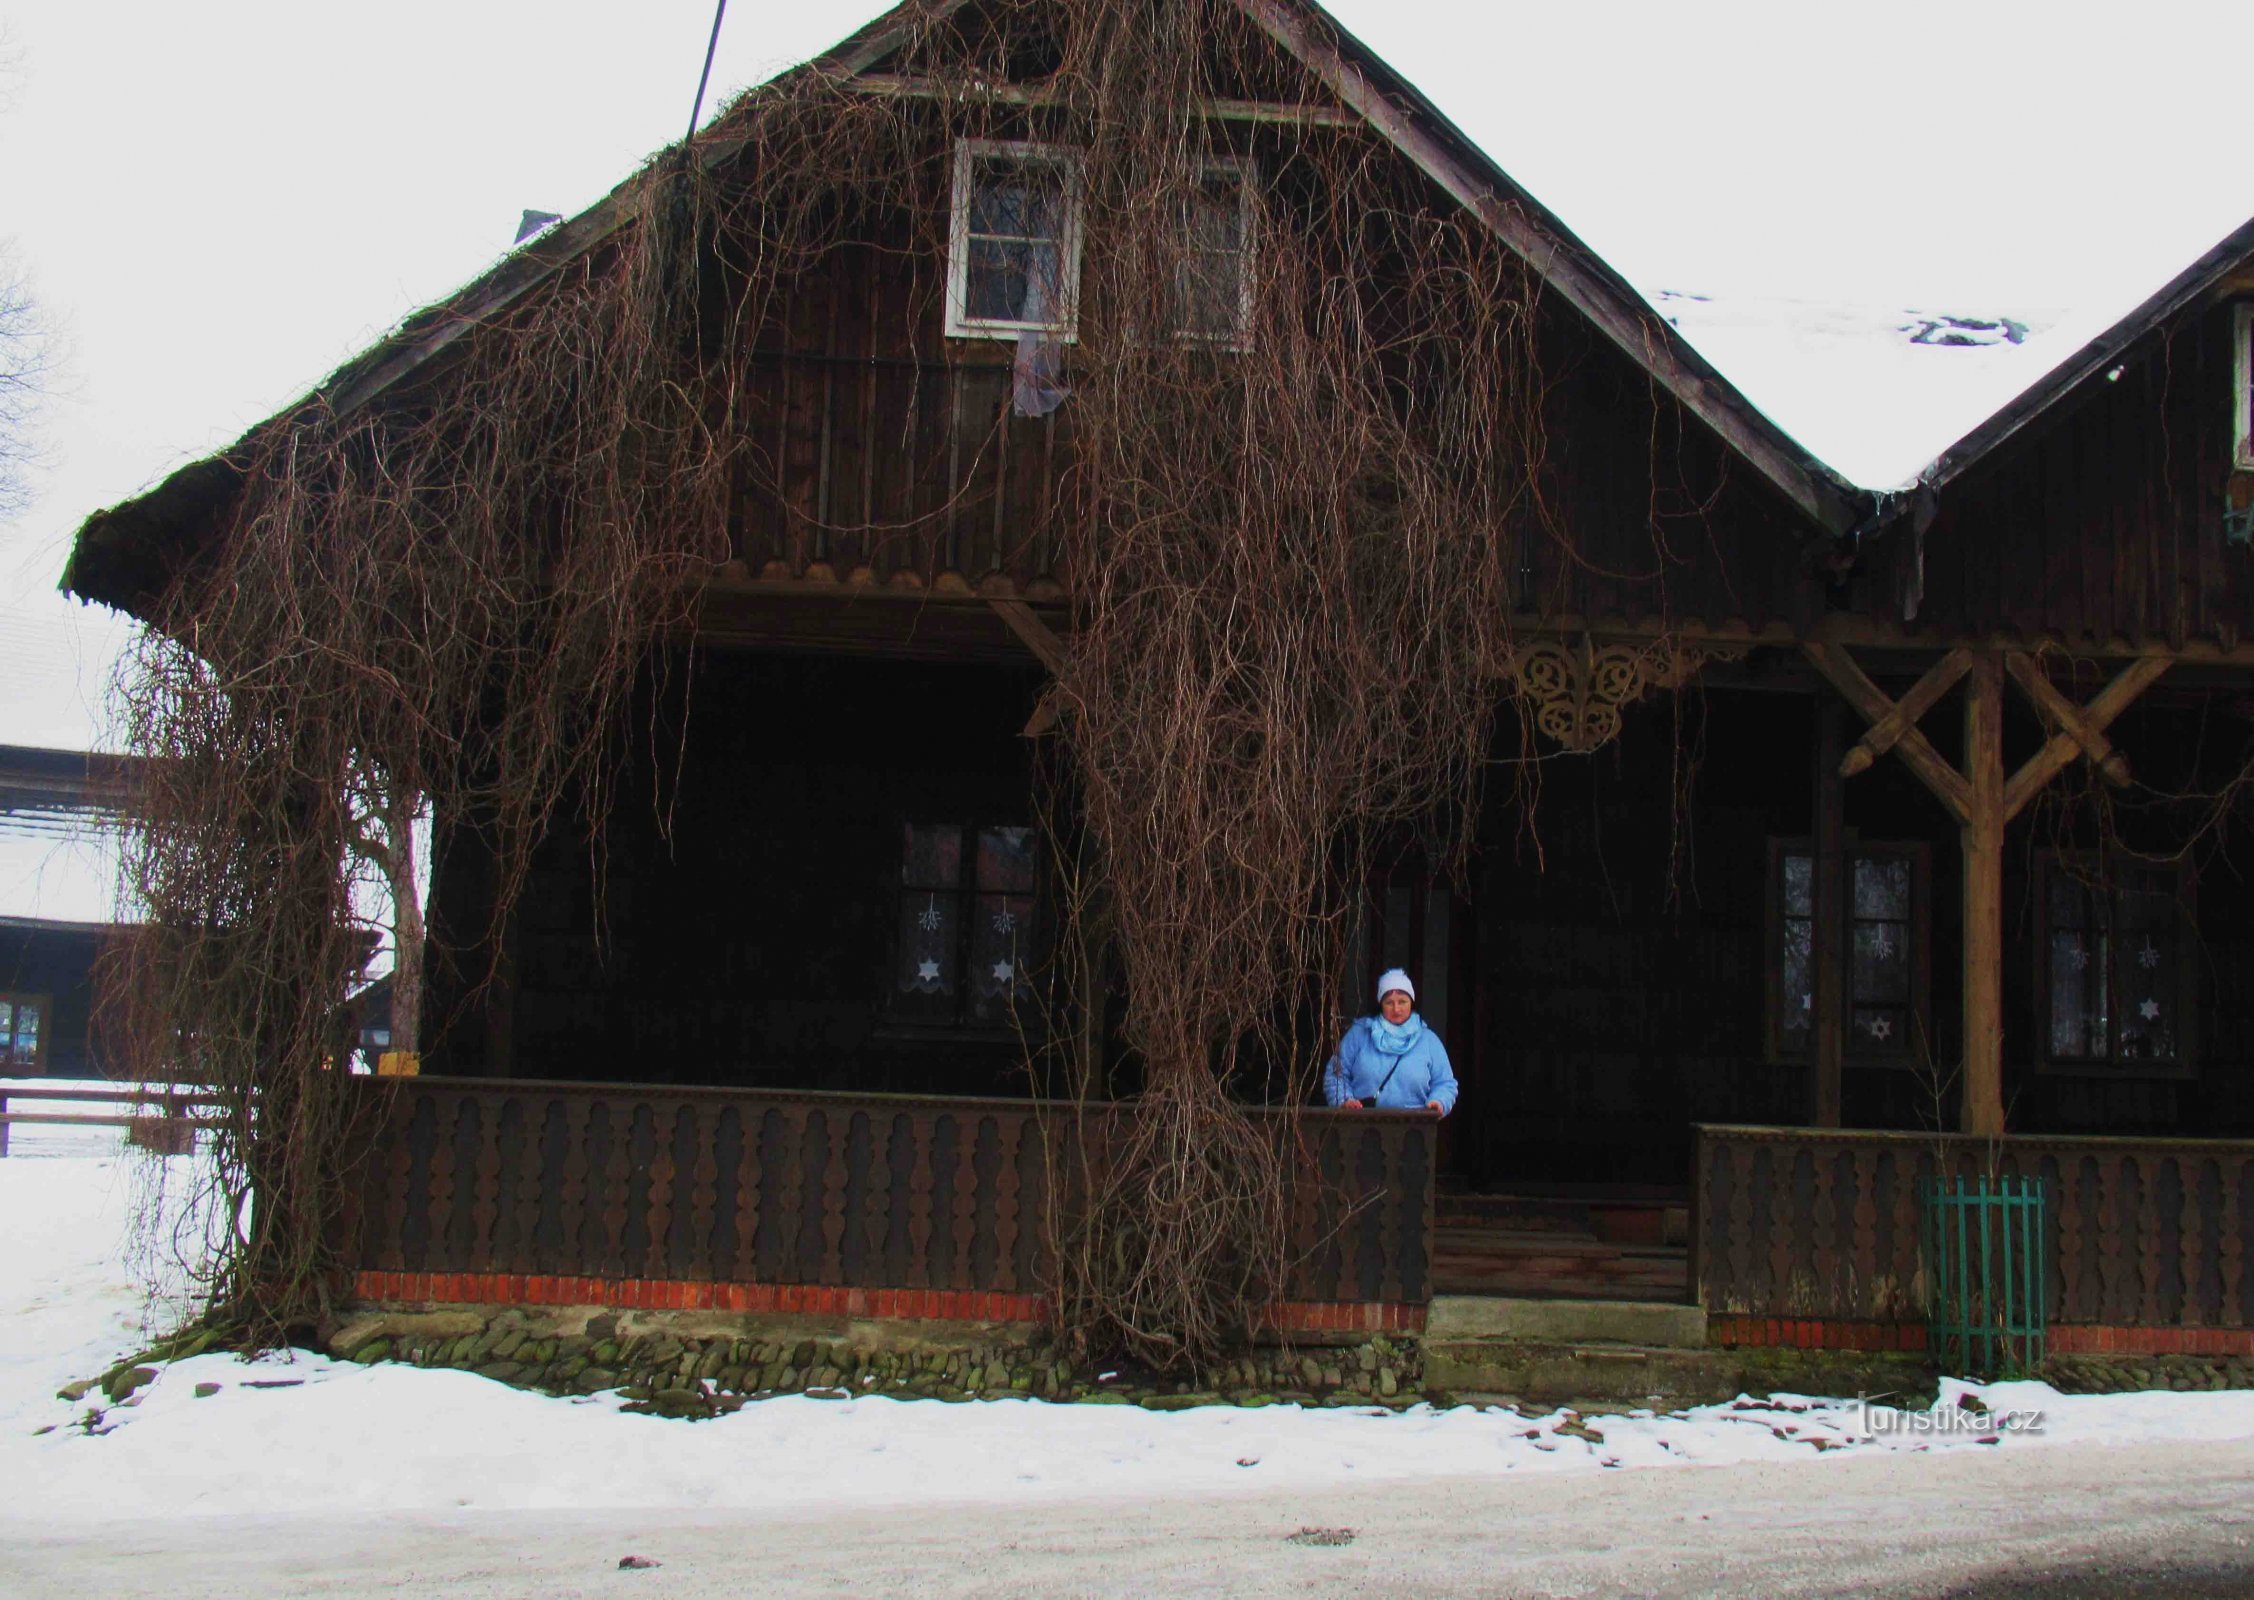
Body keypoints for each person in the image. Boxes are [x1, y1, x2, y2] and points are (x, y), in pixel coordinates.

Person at [1323, 968, 1457, 1115]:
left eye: (1402, 1002)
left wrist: (1438, 1102)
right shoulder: (1359, 1034)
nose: (1396, 1009)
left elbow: (1445, 1083)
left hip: (1415, 1127)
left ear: (1411, 1002)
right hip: (1361, 1123)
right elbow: (1335, 1074)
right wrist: (1344, 1101)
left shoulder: (1429, 1040)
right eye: (1389, 1003)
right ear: (1381, 1004)